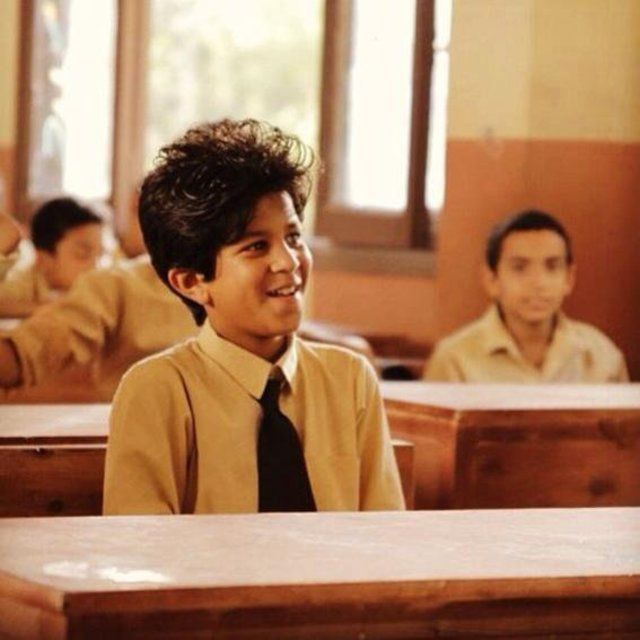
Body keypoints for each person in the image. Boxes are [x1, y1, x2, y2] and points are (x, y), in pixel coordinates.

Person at [103, 118, 404, 514]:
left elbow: (384, 531)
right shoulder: (159, 389)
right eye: (256, 246)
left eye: (293, 237)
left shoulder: (349, 380)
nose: (288, 261)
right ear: (191, 282)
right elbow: (140, 542)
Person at [424, 209, 628, 383]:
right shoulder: (454, 360)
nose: (538, 283)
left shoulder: (602, 355)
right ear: (492, 279)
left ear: (569, 278)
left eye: (552, 267)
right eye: (519, 268)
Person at [0, 198, 104, 317]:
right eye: (83, 255)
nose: (95, 266)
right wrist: (47, 308)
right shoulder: (19, 283)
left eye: (100, 255)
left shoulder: (93, 288)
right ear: (44, 258)